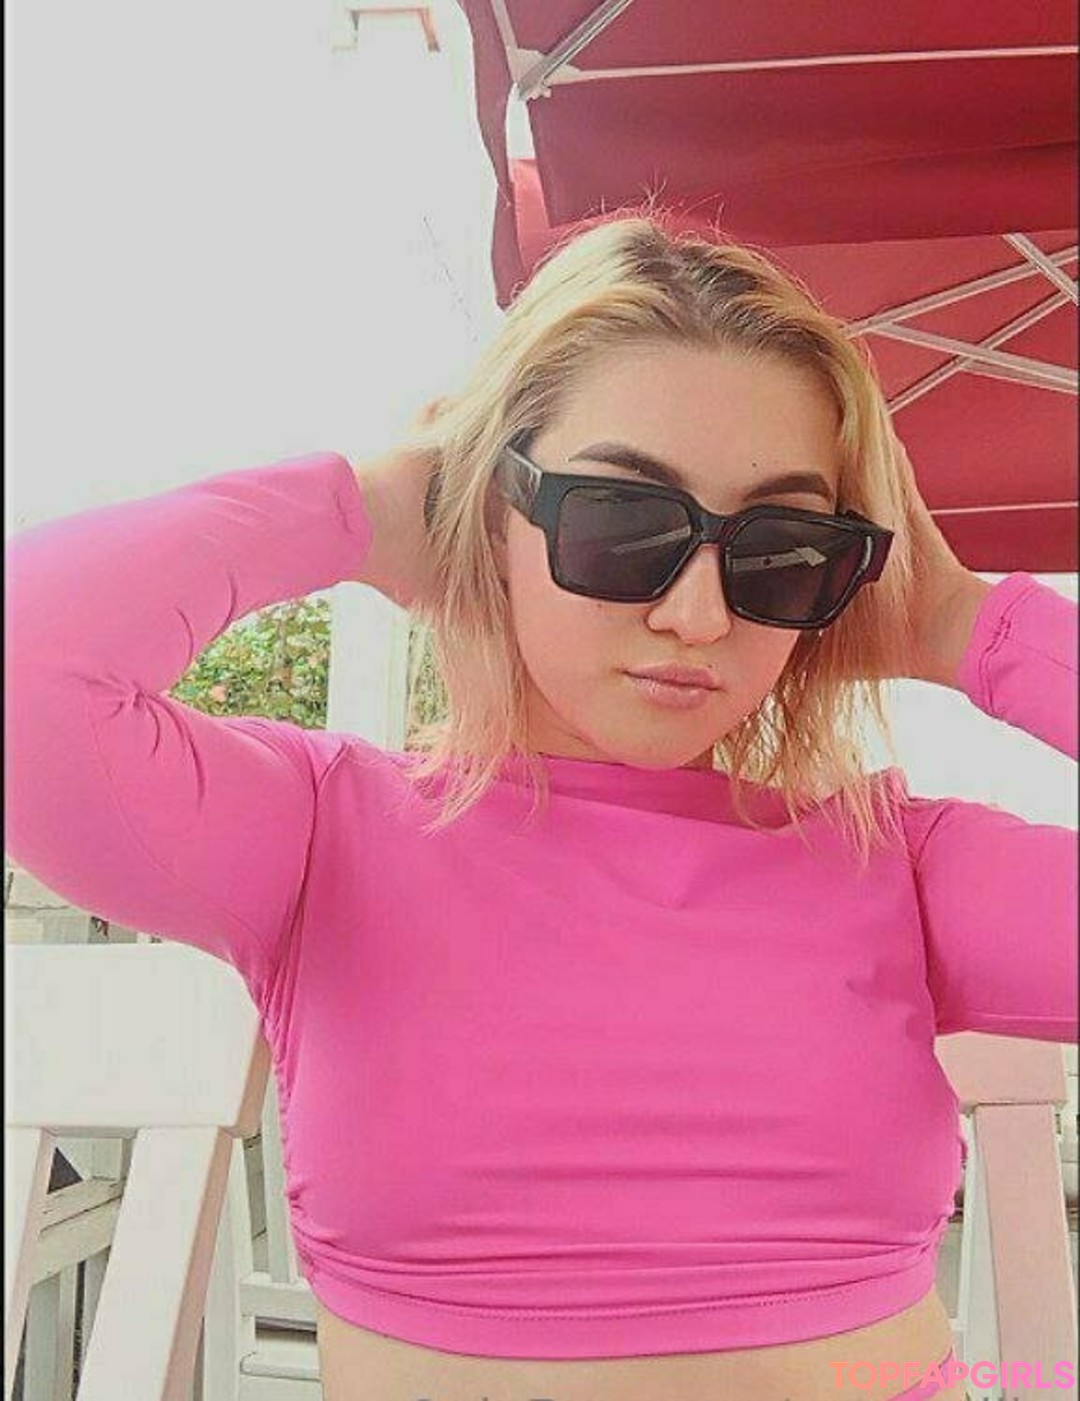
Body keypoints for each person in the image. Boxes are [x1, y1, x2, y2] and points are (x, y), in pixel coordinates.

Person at [6, 215, 1076, 1401]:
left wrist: (970, 629)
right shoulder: (321, 837)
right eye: (619, 520)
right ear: (488, 509)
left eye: (782, 550)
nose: (697, 616)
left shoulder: (897, 865)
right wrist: (360, 509)